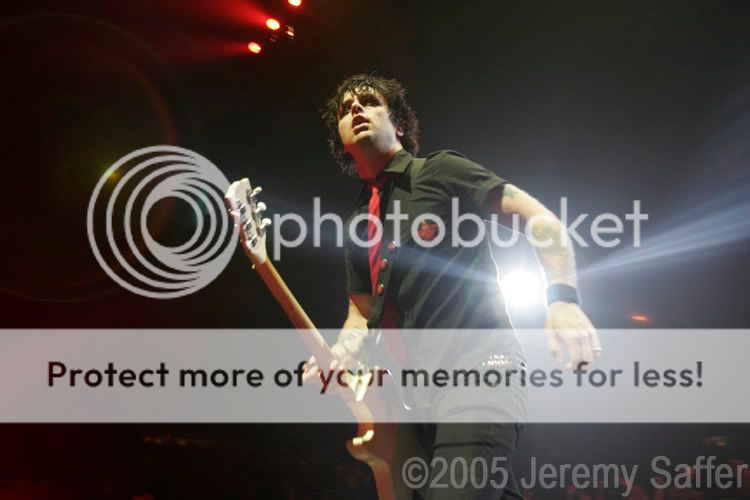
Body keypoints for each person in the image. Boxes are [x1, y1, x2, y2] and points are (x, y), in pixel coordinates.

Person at [306, 74, 601, 500]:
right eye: (344, 108)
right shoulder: (357, 225)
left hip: (480, 373)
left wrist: (563, 299)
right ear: (340, 138)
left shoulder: (438, 172)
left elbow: (536, 217)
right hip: (417, 404)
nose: (355, 109)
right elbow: (361, 314)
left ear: (400, 125)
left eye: (369, 101)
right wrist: (338, 355)